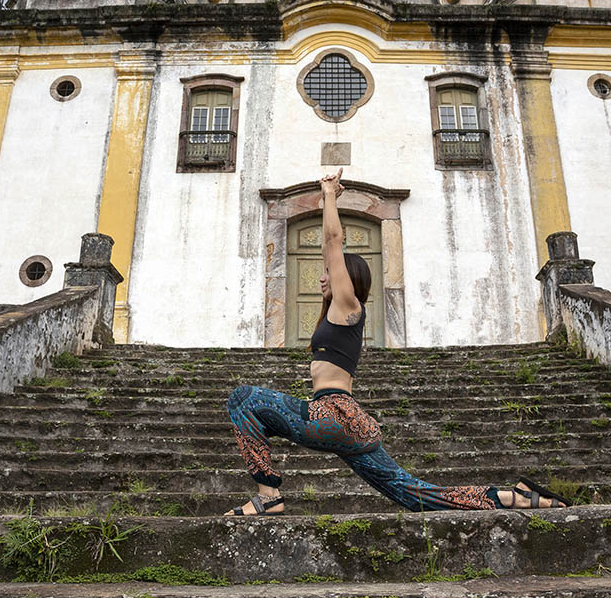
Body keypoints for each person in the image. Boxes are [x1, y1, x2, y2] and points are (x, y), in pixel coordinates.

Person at [224, 168, 569, 516]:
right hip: (349, 422)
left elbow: (331, 244)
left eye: (331, 272)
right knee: (414, 495)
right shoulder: (338, 315)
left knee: (243, 399)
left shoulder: (349, 306)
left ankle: (269, 496)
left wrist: (328, 195)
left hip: (331, 414)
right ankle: (512, 496)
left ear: (349, 277)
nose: (322, 277)